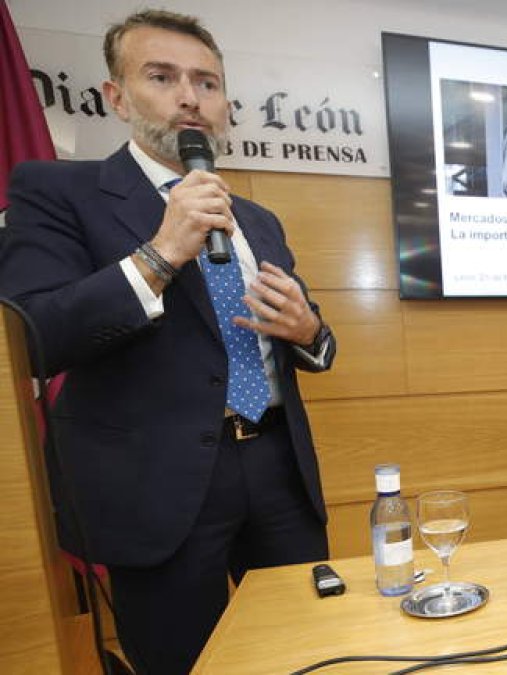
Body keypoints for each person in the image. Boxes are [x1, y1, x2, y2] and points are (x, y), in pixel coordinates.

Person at [0, 10, 335, 674]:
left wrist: (310, 331)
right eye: (162, 77)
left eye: (207, 83)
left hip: (276, 468)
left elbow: (310, 337)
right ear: (116, 97)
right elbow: (35, 338)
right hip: (157, 487)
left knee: (315, 650)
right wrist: (160, 253)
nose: (190, 97)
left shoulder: (257, 218)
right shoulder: (58, 193)